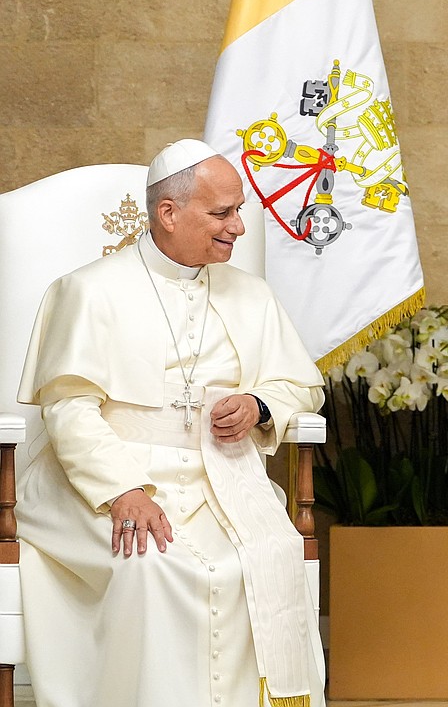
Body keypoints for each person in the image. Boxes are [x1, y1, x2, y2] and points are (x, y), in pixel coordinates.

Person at [16, 139, 327, 706]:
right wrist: (124, 491)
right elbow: (69, 408)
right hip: (103, 482)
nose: (239, 227)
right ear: (168, 213)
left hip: (221, 480)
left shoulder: (252, 296)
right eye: (222, 213)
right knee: (151, 568)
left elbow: (300, 385)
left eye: (238, 211)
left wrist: (259, 406)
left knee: (264, 556)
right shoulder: (88, 290)